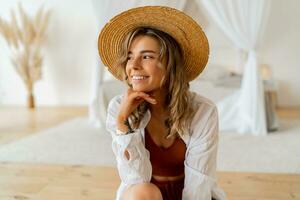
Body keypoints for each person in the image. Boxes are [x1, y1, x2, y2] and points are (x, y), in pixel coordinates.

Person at [98, 6, 226, 200]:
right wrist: (123, 124)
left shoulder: (203, 111)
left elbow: (198, 185)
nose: (133, 66)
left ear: (170, 64)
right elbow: (135, 178)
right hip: (146, 196)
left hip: (191, 194)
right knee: (144, 191)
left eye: (147, 56)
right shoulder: (118, 108)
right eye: (130, 56)